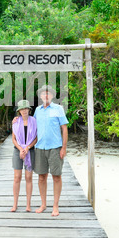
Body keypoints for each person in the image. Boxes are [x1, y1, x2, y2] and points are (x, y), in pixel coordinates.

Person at [33, 85, 68, 217]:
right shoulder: (37, 110)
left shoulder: (58, 109)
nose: (46, 96)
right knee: (41, 177)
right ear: (41, 96)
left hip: (55, 148)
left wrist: (63, 148)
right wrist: (17, 120)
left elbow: (64, 129)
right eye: (43, 94)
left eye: (48, 93)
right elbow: (32, 126)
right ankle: (43, 204)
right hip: (40, 147)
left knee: (56, 176)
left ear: (52, 96)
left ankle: (55, 205)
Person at [11, 100, 37, 212]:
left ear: (29, 110)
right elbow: (13, 138)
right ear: (19, 111)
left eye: (26, 108)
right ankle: (15, 204)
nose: (24, 110)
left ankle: (28, 205)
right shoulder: (16, 122)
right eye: (22, 109)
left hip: (30, 151)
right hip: (18, 151)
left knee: (28, 177)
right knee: (17, 178)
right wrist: (21, 149)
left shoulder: (34, 121)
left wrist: (27, 148)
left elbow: (36, 137)